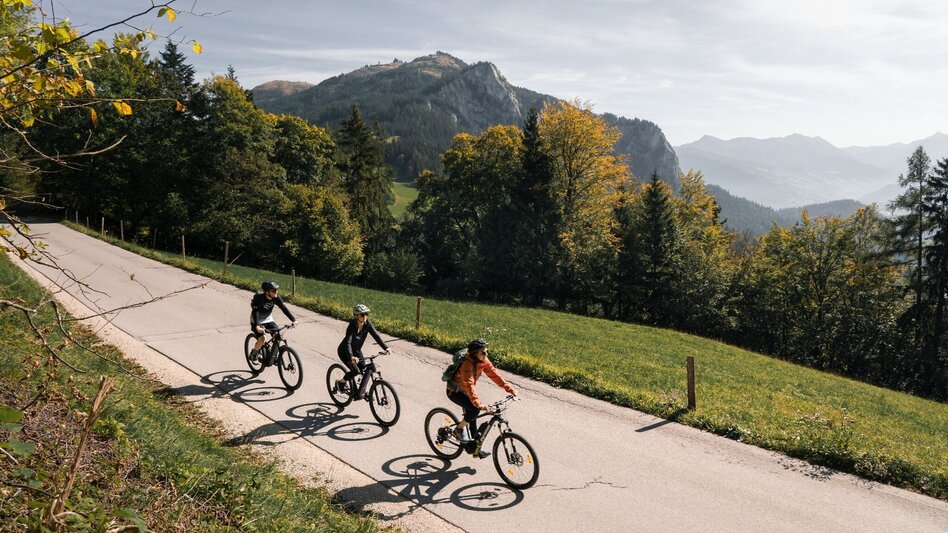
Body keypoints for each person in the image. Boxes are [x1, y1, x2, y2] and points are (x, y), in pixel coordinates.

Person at [446, 338, 517, 458]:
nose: (486, 354)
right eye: (483, 352)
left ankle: (475, 449)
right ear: (474, 354)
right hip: (455, 392)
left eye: (486, 351)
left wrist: (509, 388)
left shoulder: (483, 361)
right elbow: (469, 384)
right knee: (474, 410)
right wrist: (478, 403)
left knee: (473, 417)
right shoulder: (466, 365)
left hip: (467, 392)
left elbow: (494, 374)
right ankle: (458, 429)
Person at [336, 304, 390, 400]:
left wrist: (386, 347)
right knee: (356, 371)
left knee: (364, 368)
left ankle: (360, 391)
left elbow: (376, 336)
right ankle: (341, 382)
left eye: (366, 314)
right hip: (345, 352)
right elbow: (348, 342)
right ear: (356, 316)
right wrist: (351, 356)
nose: (365, 316)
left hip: (357, 351)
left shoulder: (367, 324)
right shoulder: (352, 326)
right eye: (362, 314)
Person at [249, 280, 297, 361]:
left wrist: (293, 320)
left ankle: (273, 354)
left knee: (277, 335)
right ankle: (254, 352)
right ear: (267, 292)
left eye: (277, 290)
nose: (276, 292)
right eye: (274, 290)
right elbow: (255, 311)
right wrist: (257, 326)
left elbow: (283, 308)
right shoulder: (259, 298)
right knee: (262, 339)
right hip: (256, 320)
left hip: (268, 319)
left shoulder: (276, 298)